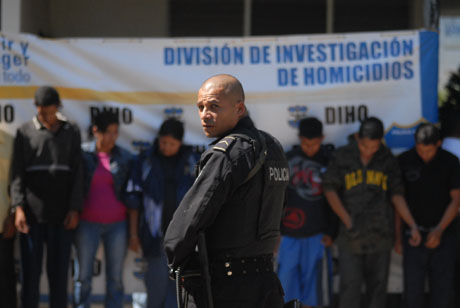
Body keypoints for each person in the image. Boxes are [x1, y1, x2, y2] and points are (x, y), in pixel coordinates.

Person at [164, 74, 289, 308]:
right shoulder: (273, 148)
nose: (204, 114)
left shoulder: (228, 154)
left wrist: (182, 264)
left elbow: (184, 227)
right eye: (200, 107)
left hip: (223, 287)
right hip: (265, 285)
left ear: (239, 108)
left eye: (214, 106)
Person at [321, 117, 421, 308]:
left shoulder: (387, 158)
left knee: (378, 291)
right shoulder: (343, 155)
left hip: (381, 236)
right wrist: (346, 219)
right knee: (349, 290)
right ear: (358, 138)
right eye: (365, 146)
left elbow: (397, 196)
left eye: (374, 148)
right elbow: (329, 189)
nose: (369, 151)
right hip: (351, 237)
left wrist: (412, 226)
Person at [10, 86, 83, 308]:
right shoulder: (24, 132)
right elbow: (17, 174)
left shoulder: (72, 131)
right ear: (36, 108)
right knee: (30, 276)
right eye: (43, 113)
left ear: (58, 108)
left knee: (59, 276)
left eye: (51, 113)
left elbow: (78, 173)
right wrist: (18, 208)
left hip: (62, 216)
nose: (48, 118)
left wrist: (74, 208)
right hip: (31, 216)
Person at [126, 118, 199, 308]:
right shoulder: (146, 160)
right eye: (163, 142)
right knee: (155, 291)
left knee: (178, 295)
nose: (166, 147)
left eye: (172, 144)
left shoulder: (191, 162)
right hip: (154, 236)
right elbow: (134, 199)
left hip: (183, 240)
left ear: (180, 143)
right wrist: (134, 234)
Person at [74, 110, 138, 308]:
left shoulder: (125, 158)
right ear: (96, 131)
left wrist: (133, 233)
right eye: (109, 132)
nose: (113, 137)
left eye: (116, 132)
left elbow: (133, 198)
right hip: (86, 224)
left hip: (117, 225)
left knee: (115, 278)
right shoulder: (82, 155)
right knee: (83, 276)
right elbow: (74, 189)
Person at [397, 123, 460, 308]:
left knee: (443, 292)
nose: (424, 154)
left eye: (429, 151)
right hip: (414, 236)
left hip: (445, 236)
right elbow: (397, 198)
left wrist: (439, 230)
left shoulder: (451, 162)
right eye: (420, 150)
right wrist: (410, 228)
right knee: (412, 293)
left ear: (439, 144)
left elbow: (456, 200)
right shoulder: (404, 160)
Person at [277, 117, 337, 308]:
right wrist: (275, 231)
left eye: (314, 143)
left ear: (322, 138)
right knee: (284, 288)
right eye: (305, 143)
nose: (310, 148)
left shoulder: (329, 161)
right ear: (299, 138)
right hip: (288, 235)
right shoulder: (287, 159)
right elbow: (277, 199)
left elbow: (336, 200)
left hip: (317, 235)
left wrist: (331, 231)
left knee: (315, 289)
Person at [0, 129, 16, 308]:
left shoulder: (10, 142)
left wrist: (13, 214)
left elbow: (18, 184)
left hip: (3, 224)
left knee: (5, 280)